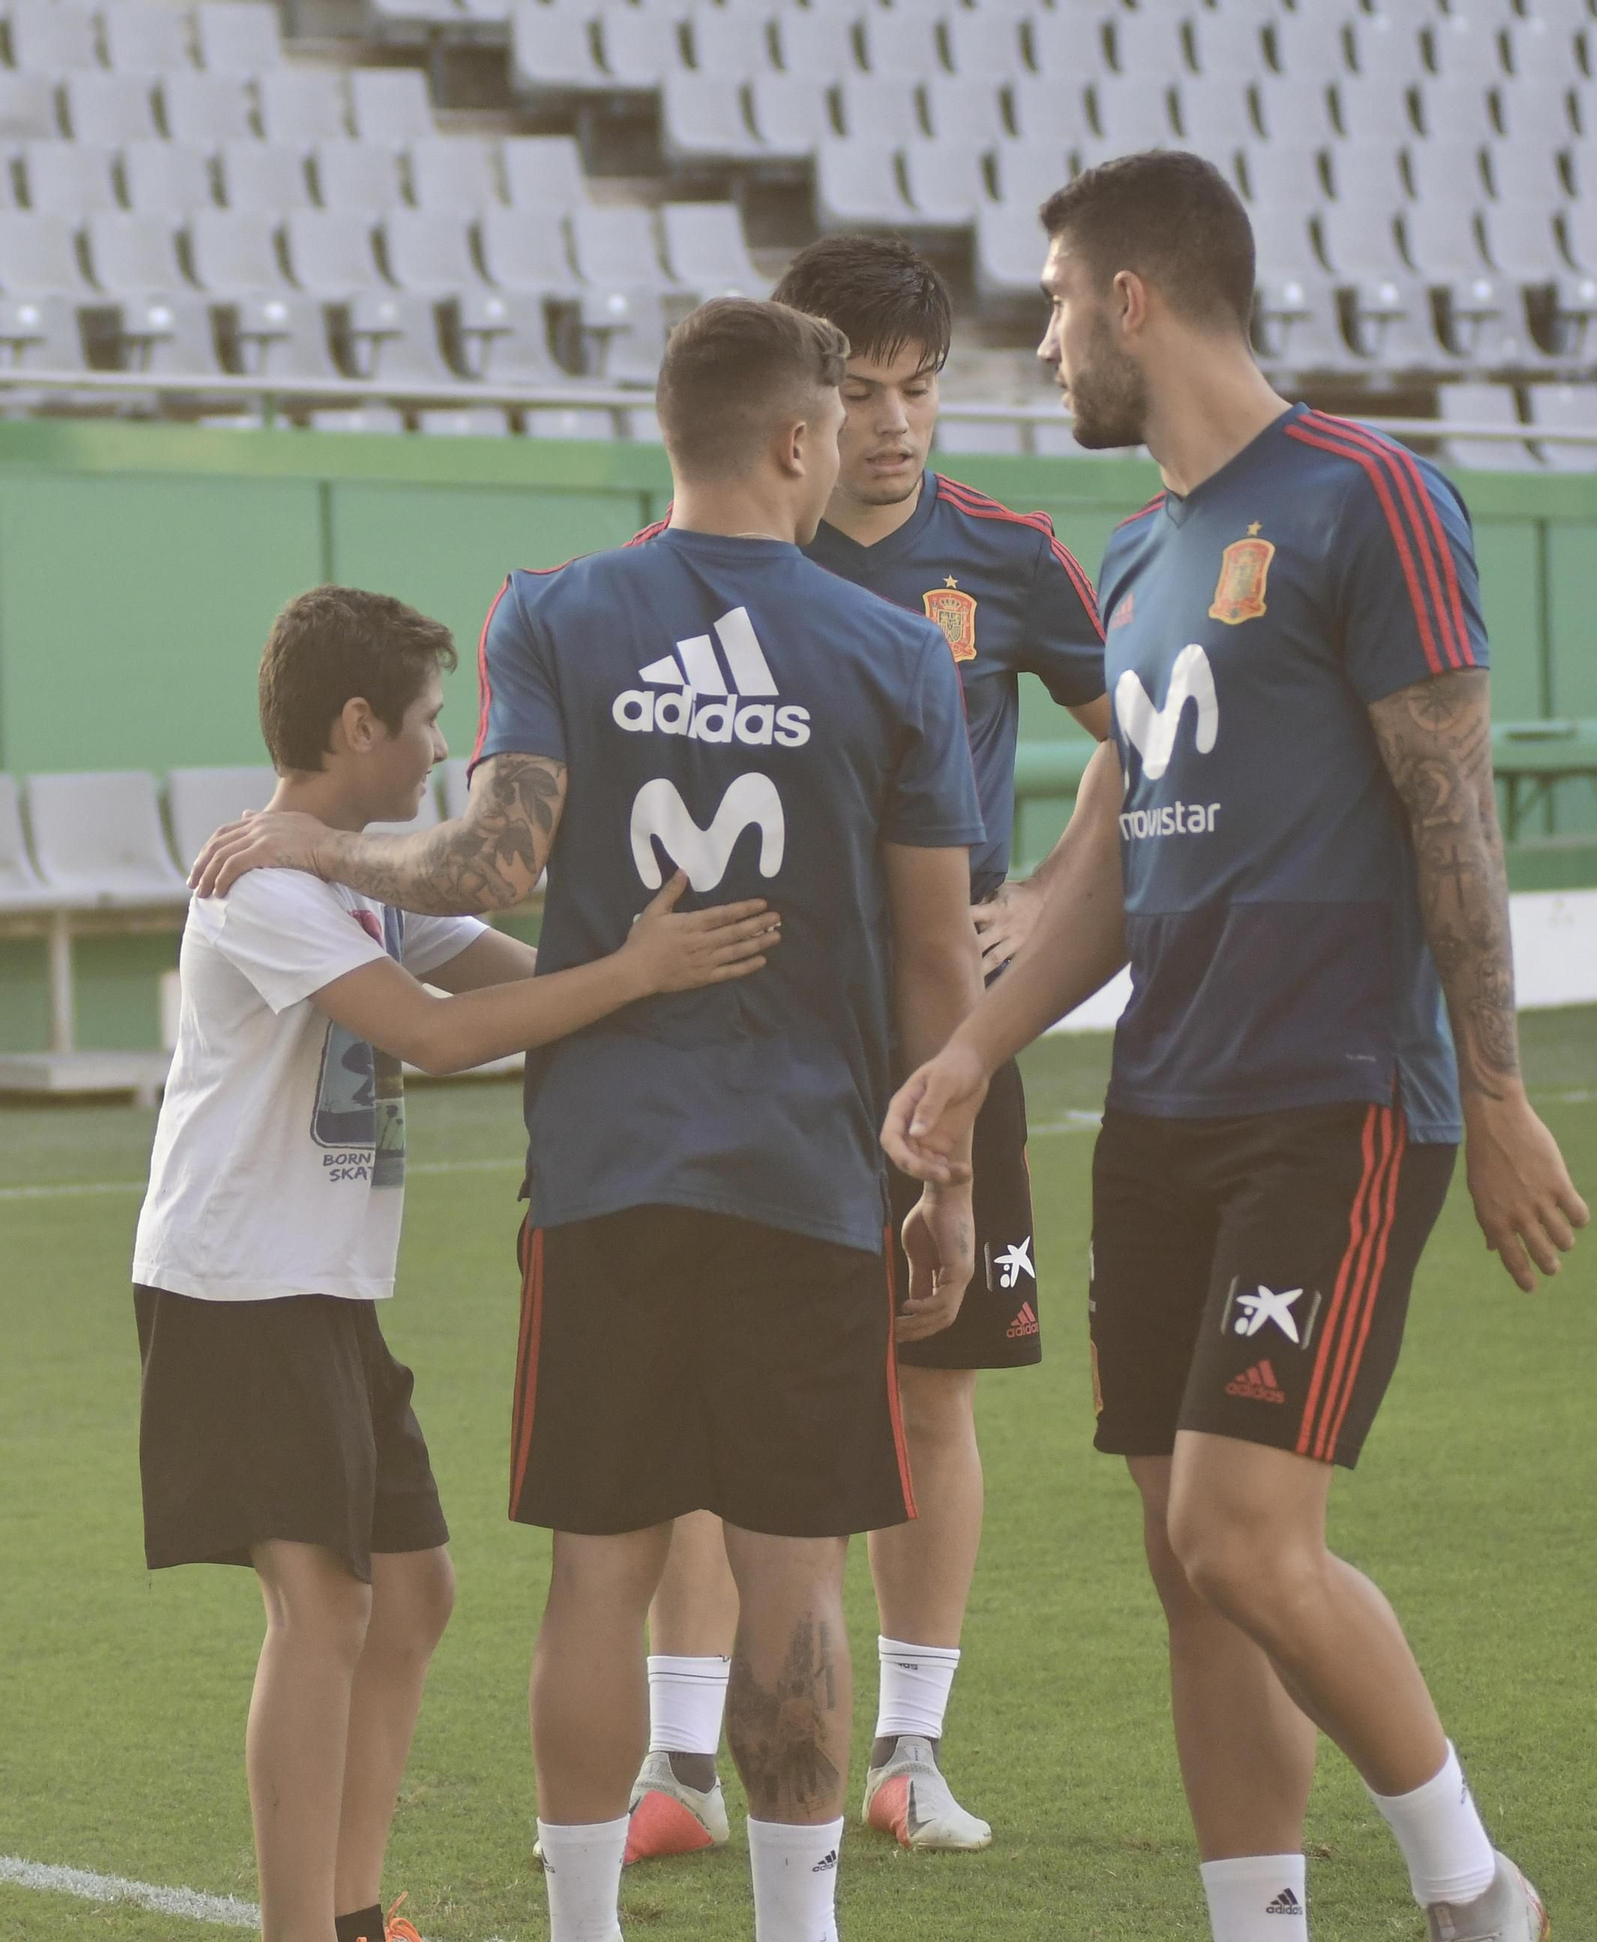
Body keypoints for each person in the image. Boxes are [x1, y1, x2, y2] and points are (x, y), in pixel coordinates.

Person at [190, 298, 986, 1942]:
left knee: (598, 1571)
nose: (846, 447)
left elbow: (490, 866)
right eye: (835, 423)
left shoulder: (555, 610)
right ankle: (798, 1925)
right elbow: (930, 951)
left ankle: (580, 1926)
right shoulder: (898, 651)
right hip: (809, 1180)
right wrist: (945, 1173)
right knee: (792, 1573)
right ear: (790, 441)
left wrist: (318, 846)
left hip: (609, 1178)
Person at [882, 152, 1588, 1942]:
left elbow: (1454, 815)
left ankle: (1474, 1892)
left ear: (1133, 298)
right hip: (1161, 1108)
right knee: (1187, 1569)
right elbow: (1116, 863)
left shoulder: (1370, 496)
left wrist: (1493, 1095)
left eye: (1051, 301)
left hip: (1334, 1102)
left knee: (1242, 1534)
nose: (1039, 344)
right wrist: (974, 1052)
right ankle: (1257, 1919)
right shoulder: (1135, 552)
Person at [150, 585, 776, 1942]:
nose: (443, 750)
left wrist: (646, 968)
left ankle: (358, 1911)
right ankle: (300, 1928)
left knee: (413, 1591)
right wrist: (640, 972)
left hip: (320, 1291)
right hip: (237, 1288)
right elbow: (439, 1036)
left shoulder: (355, 874)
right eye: (430, 722)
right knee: (322, 1607)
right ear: (358, 721)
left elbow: (527, 970)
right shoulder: (265, 883)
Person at [623, 234, 1119, 1863]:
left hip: (939, 1033)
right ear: (803, 396)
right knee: (714, 1402)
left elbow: (1146, 728)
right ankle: (681, 1767)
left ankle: (910, 1745)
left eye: (923, 390)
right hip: (750, 1032)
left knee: (933, 1386)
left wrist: (1043, 895)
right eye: (866, 390)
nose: (895, 425)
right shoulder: (712, 553)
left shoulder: (1013, 556)